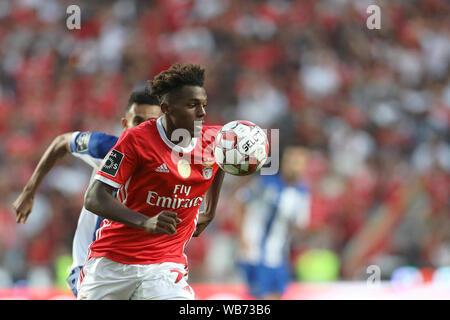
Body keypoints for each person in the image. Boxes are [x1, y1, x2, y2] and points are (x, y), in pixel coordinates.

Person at [78, 63, 225, 300]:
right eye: (192, 105)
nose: (202, 113)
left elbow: (222, 161)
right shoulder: (134, 140)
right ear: (167, 108)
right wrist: (145, 222)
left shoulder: (214, 140)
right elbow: (94, 197)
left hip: (165, 268)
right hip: (112, 264)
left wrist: (210, 209)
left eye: (203, 105)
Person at [12, 88, 162, 296]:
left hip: (136, 270)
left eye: (151, 123)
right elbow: (61, 143)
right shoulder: (107, 149)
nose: (143, 128)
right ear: (125, 124)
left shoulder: (169, 166)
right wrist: (29, 191)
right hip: (90, 269)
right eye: (138, 121)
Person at [233, 146, 311, 299]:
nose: (292, 166)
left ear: (304, 166)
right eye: (289, 161)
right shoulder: (266, 183)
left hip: (279, 256)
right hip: (254, 253)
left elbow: (298, 225)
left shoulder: (303, 192)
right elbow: (239, 202)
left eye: (297, 162)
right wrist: (242, 235)